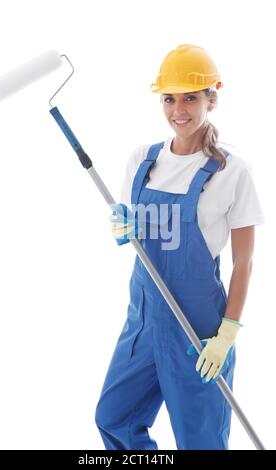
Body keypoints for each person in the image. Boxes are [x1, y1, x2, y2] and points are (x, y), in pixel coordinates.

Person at [95, 44, 265, 450]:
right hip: (144, 321)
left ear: (212, 98)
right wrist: (122, 227)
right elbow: (130, 229)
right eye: (168, 98)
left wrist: (227, 334)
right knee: (113, 419)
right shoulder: (142, 158)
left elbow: (245, 261)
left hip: (197, 330)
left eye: (190, 97)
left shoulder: (231, 171)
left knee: (201, 440)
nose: (179, 109)